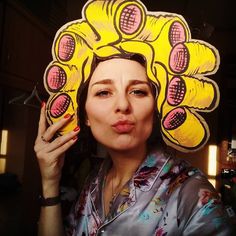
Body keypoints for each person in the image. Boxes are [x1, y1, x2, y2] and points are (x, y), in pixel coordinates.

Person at [34, 0, 235, 235]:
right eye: (103, 92)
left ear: (156, 107)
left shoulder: (192, 195)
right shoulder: (94, 182)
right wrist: (49, 182)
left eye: (138, 91)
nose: (122, 105)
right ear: (85, 115)